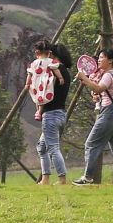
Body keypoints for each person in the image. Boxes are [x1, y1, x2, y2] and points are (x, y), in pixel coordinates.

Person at [72, 49, 113, 186]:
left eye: (101, 58)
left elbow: (99, 88)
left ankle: (87, 177)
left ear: (110, 60)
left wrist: (84, 78)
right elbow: (102, 92)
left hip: (108, 113)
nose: (98, 60)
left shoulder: (108, 75)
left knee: (91, 143)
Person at [35, 42, 72, 185]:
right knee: (42, 146)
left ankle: (62, 179)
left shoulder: (53, 70)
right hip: (61, 113)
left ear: (51, 54)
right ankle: (45, 179)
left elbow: (43, 90)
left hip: (51, 114)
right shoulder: (65, 72)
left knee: (53, 147)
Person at [26, 39, 65, 121]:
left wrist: (27, 84)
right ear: (49, 53)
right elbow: (56, 70)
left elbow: (29, 74)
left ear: (36, 52)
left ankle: (38, 111)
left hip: (36, 82)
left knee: (38, 98)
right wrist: (60, 77)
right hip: (45, 82)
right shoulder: (50, 61)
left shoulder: (34, 63)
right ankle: (39, 112)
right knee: (42, 97)